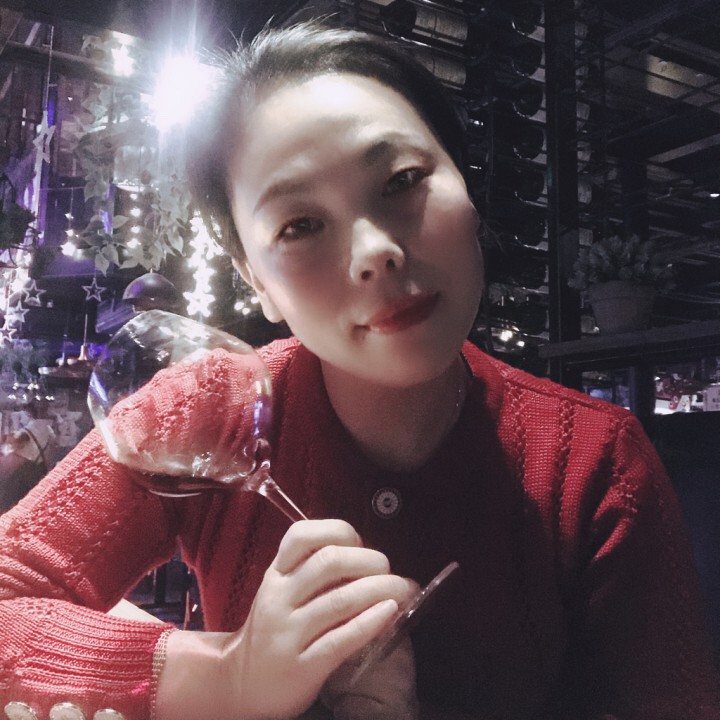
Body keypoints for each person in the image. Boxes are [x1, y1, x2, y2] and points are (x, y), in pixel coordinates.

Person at [1, 20, 718, 720]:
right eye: (301, 225)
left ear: (466, 186)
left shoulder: (596, 461)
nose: (375, 251)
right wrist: (227, 677)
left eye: (402, 181)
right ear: (256, 281)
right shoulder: (207, 409)